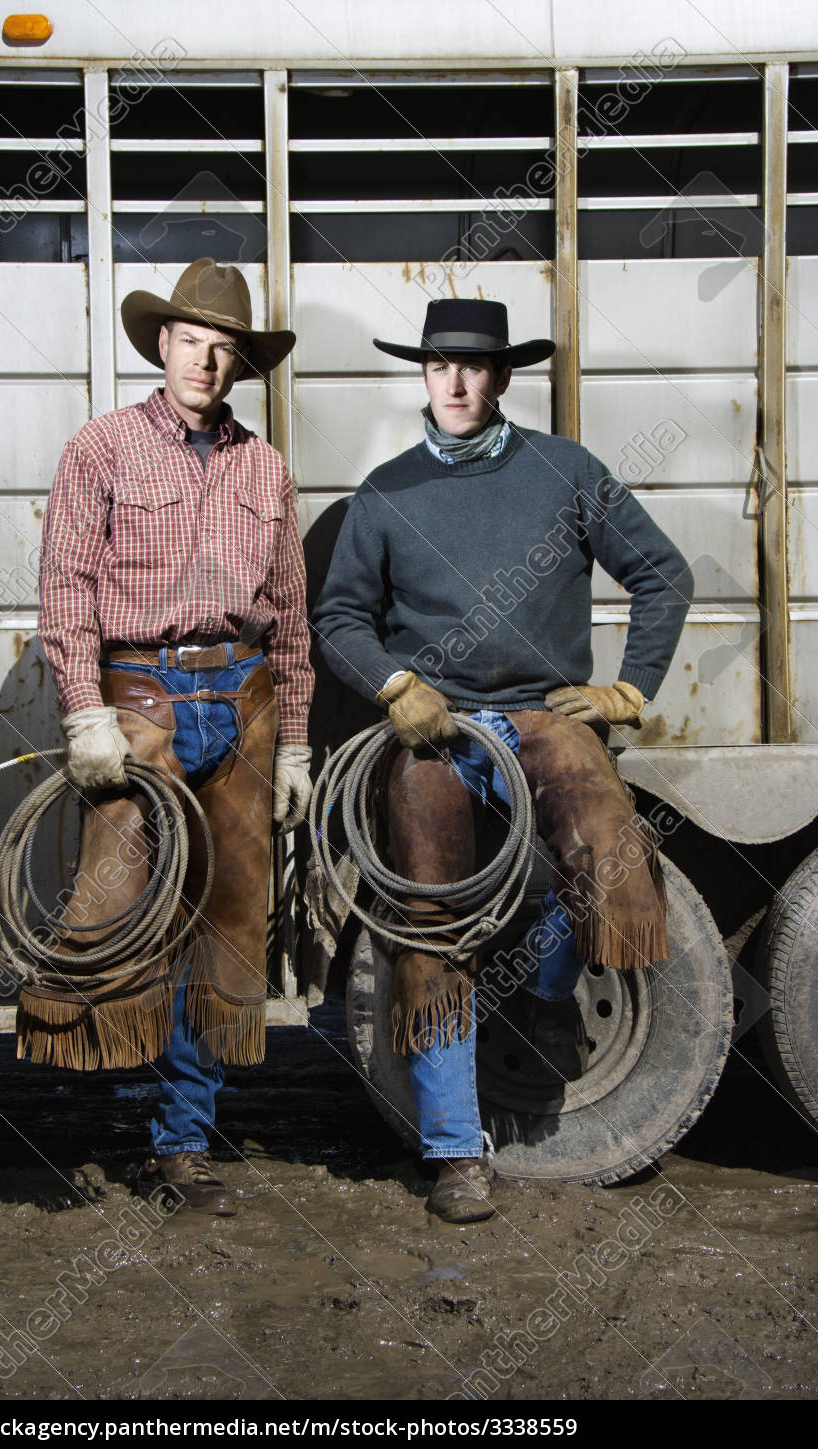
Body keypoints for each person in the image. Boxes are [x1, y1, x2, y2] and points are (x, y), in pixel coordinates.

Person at [314, 297, 692, 1223]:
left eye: (474, 367)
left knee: (602, 849)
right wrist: (395, 686)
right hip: (434, 726)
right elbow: (337, 619)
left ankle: (551, 991)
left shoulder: (565, 472)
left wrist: (628, 690)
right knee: (431, 903)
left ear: (503, 377)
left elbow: (661, 573)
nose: (454, 381)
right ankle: (453, 1151)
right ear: (422, 373)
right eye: (440, 363)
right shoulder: (387, 493)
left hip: (542, 711)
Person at [35, 258, 314, 1214]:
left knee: (225, 924)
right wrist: (82, 710)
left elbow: (290, 619)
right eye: (191, 341)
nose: (205, 359)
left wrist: (297, 746)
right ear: (162, 346)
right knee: (115, 910)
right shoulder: (101, 449)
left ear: (239, 363)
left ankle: (181, 1143)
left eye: (223, 347)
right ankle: (100, 1095)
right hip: (138, 700)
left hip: (242, 699)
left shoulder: (266, 469)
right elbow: (67, 591)